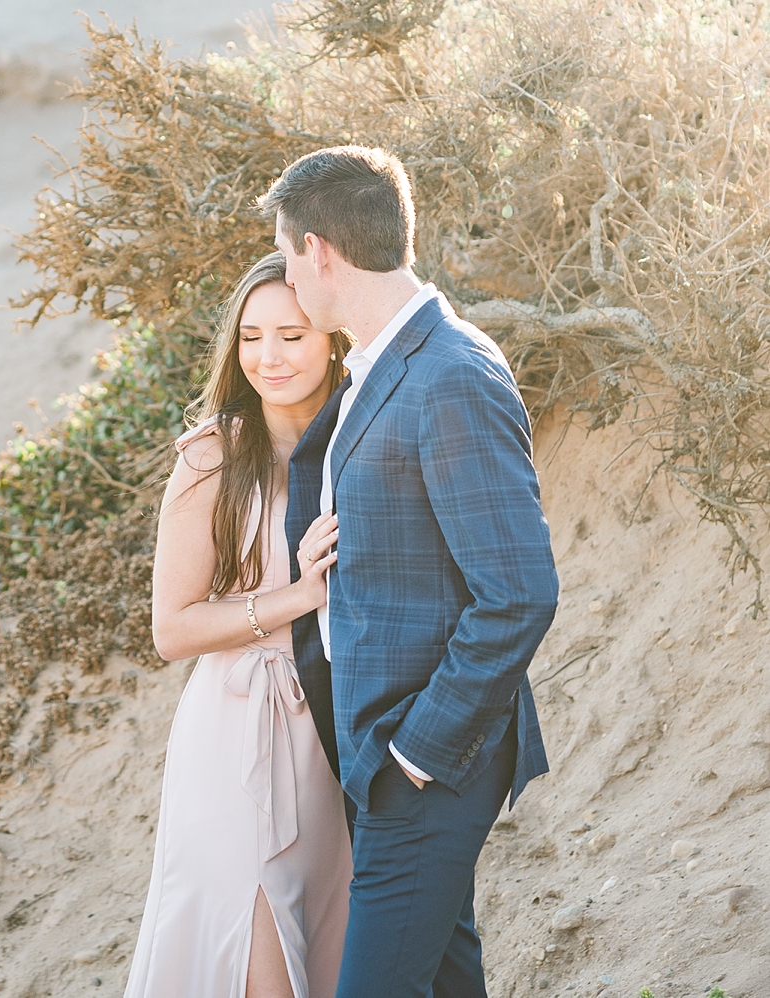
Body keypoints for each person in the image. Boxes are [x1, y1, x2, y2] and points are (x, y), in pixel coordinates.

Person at [266, 146, 560, 997]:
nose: (289, 273)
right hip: (380, 756)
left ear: (320, 250)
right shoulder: (382, 365)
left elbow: (519, 593)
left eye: (288, 254)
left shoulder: (449, 374)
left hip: (427, 765)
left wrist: (416, 756)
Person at [124, 251, 355, 998]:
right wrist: (297, 595)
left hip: (334, 726)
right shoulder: (211, 457)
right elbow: (172, 629)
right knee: (250, 953)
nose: (268, 357)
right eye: (251, 337)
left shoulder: (364, 437)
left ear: (332, 337)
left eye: (291, 334)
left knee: (326, 942)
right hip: (234, 729)